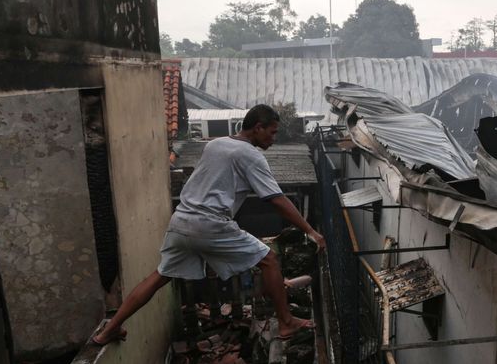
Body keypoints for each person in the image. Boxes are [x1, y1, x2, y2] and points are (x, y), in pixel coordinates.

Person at [92, 104, 325, 345]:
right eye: (272, 132)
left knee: (159, 276)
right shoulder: (251, 156)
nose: (274, 139)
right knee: (269, 260)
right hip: (209, 224)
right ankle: (286, 323)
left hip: (182, 220)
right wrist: (310, 230)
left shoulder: (215, 144)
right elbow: (276, 198)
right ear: (258, 128)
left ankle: (110, 328)